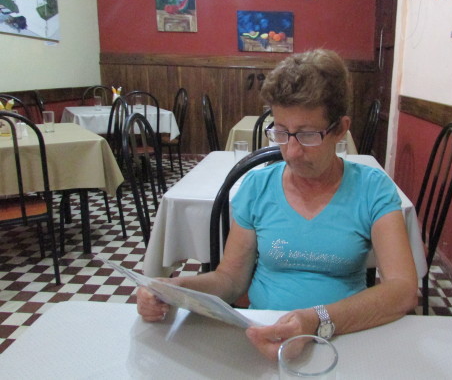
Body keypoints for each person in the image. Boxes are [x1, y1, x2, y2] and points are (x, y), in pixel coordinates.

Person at [137, 49, 418, 360]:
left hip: (346, 337)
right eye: (282, 132)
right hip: (264, 334)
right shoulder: (258, 187)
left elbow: (403, 289)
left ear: (340, 129)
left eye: (308, 135)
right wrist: (175, 289)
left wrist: (318, 320)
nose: (292, 152)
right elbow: (230, 280)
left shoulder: (372, 189)